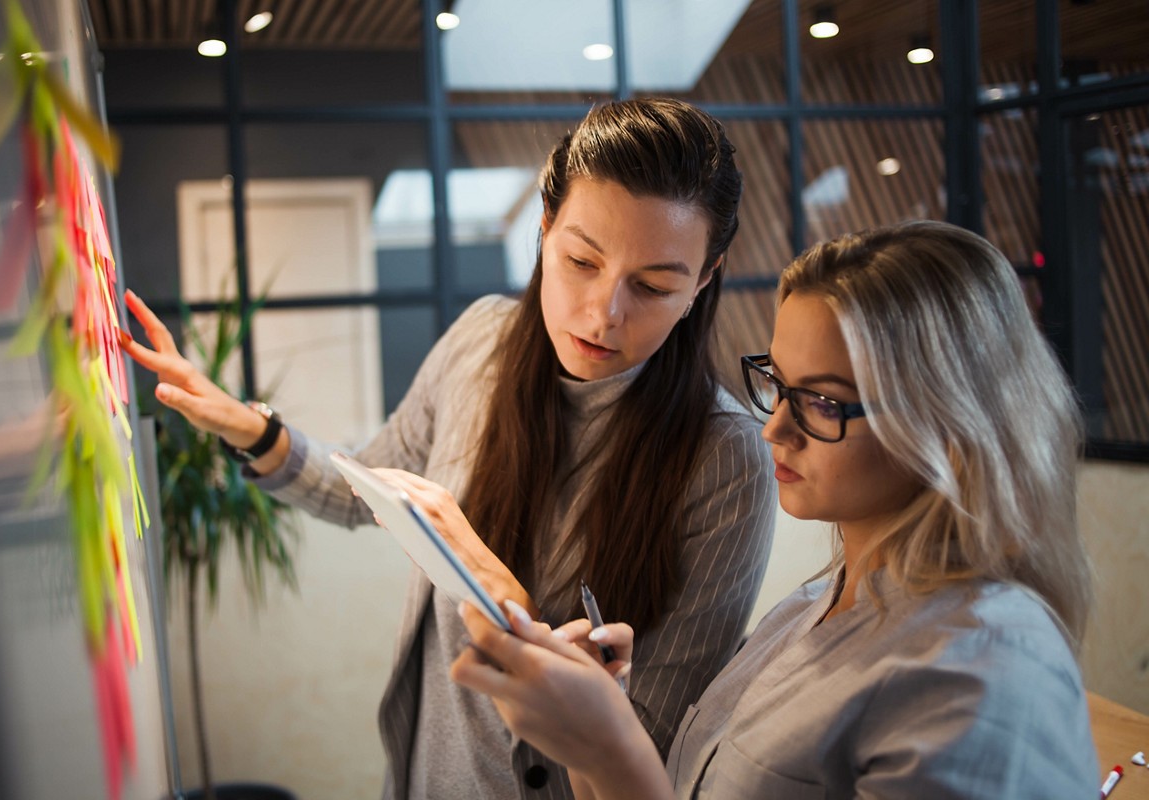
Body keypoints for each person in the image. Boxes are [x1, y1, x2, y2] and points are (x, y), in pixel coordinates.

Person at [121, 97, 777, 799]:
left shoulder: (726, 462)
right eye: (581, 261)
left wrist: (489, 583)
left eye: (652, 286)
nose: (603, 312)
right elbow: (366, 489)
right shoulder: (482, 342)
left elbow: (643, 752)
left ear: (703, 280)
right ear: (545, 226)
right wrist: (250, 427)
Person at [452, 219, 1100, 799]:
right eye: (779, 385)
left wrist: (611, 748)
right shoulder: (816, 606)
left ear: (946, 423)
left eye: (822, 402)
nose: (774, 430)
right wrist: (598, 725)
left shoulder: (983, 676)